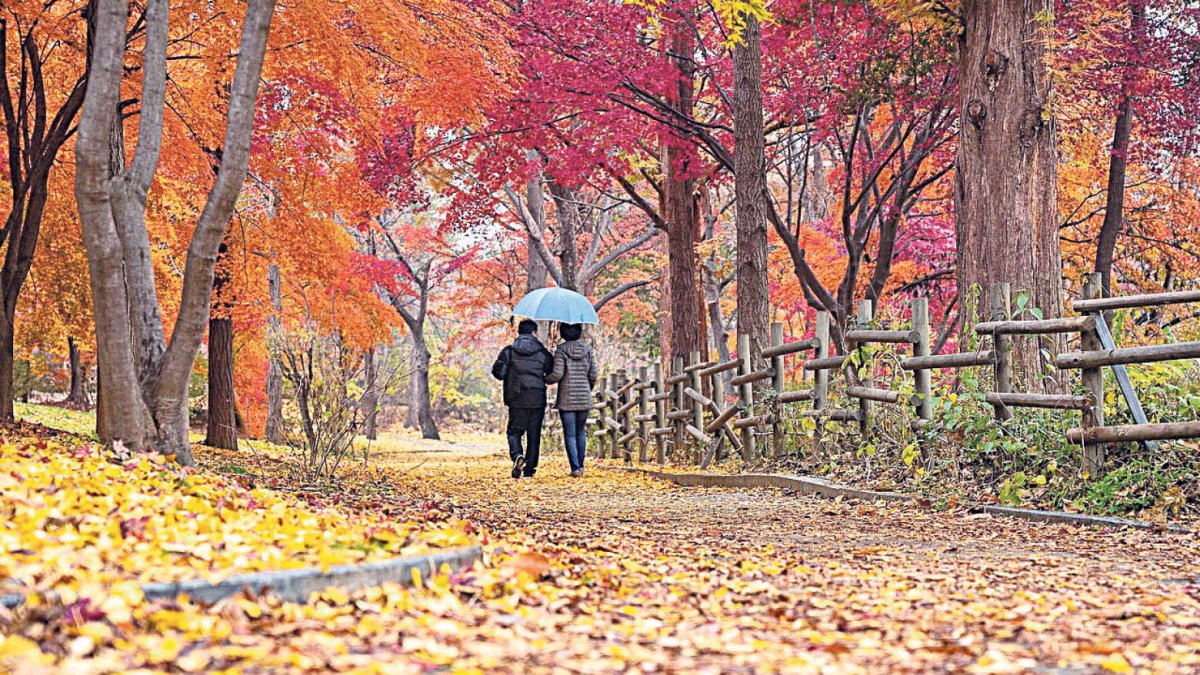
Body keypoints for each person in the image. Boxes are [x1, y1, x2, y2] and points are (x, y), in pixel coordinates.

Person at [491, 319, 553, 478]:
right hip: (537, 398)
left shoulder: (509, 352)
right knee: (534, 434)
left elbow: (499, 373)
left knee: (514, 431)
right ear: (534, 333)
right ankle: (530, 469)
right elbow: (550, 370)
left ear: (519, 333)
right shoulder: (542, 352)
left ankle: (517, 455)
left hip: (516, 397)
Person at [546, 322, 597, 477]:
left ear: (562, 333)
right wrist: (588, 389)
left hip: (567, 399)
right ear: (579, 333)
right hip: (583, 398)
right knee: (581, 432)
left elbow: (557, 375)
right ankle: (581, 466)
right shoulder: (588, 350)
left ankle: (575, 468)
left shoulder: (561, 350)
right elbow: (593, 375)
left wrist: (545, 379)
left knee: (570, 434)